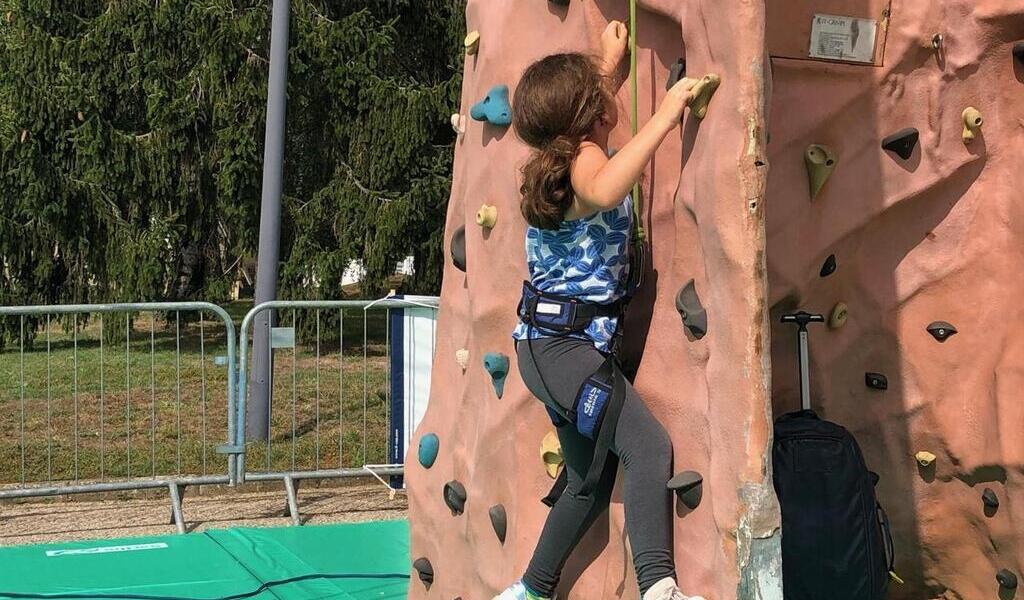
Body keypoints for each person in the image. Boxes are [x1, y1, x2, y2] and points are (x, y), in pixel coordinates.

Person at [494, 20, 706, 600]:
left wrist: (611, 65)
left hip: (546, 348)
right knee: (647, 446)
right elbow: (609, 187)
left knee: (586, 482)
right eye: (604, 94)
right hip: (569, 352)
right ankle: (658, 587)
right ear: (594, 115)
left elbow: (584, 119)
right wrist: (666, 114)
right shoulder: (586, 163)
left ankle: (529, 589)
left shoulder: (558, 154)